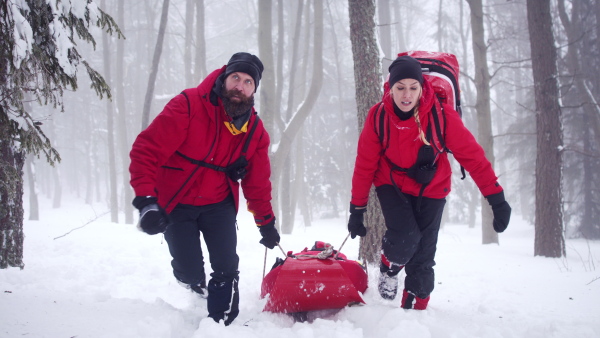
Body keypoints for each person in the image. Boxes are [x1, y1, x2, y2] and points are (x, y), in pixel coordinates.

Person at [347, 55, 511, 310]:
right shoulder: (378, 116)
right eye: (400, 87)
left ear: (422, 88)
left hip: (432, 188)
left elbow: (474, 158)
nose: (406, 95)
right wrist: (357, 210)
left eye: (413, 87)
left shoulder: (441, 116)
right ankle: (389, 268)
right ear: (390, 88)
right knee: (404, 239)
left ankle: (415, 312)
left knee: (423, 258)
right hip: (391, 183)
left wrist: (497, 199)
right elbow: (364, 164)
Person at [129, 52, 280, 326]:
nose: (240, 86)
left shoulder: (254, 131)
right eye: (236, 77)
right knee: (188, 270)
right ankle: (191, 281)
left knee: (226, 266)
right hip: (178, 201)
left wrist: (266, 223)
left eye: (248, 82)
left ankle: (221, 323)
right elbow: (146, 149)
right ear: (224, 78)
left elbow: (258, 183)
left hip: (218, 203)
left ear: (254, 89)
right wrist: (146, 200)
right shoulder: (188, 105)